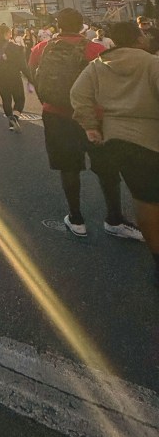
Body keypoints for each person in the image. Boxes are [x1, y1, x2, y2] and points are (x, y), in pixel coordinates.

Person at [28, 8, 138, 240]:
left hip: (55, 114)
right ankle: (114, 219)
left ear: (57, 25)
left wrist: (45, 100)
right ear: (81, 27)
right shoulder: (95, 49)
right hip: (94, 117)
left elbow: (33, 74)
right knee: (106, 167)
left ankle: (76, 219)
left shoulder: (41, 48)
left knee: (69, 167)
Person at [71, 22, 154, 281]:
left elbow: (78, 94)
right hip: (151, 139)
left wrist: (91, 126)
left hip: (117, 139)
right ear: (139, 39)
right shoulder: (151, 63)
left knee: (145, 201)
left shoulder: (98, 65)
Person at [0, 24, 32, 130]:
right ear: (7, 34)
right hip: (14, 76)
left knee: (6, 99)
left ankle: (11, 121)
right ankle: (15, 117)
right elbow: (23, 65)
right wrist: (30, 78)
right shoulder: (15, 47)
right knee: (19, 99)